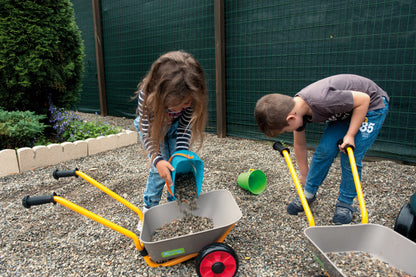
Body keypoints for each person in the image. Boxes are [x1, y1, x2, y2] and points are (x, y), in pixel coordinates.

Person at [254, 74, 389, 224]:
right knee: (324, 150)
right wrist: (305, 175)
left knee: (349, 155)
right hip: (346, 110)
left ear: (291, 119)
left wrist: (350, 135)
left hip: (370, 106)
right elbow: (299, 145)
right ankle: (308, 193)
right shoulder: (296, 109)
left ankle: (345, 203)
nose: (288, 132)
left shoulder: (323, 100)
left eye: (285, 130)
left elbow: (363, 100)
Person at [134, 50, 208, 215]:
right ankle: (148, 209)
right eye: (180, 104)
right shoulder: (147, 98)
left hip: (175, 127)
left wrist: (181, 152)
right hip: (153, 128)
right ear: (161, 97)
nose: (187, 106)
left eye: (188, 102)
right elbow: (147, 132)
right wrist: (158, 160)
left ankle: (176, 206)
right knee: (159, 170)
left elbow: (183, 128)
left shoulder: (191, 94)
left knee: (178, 166)